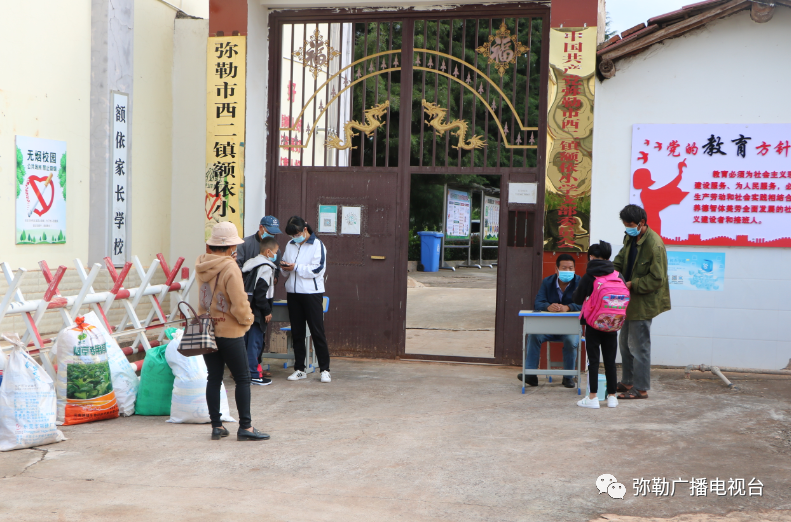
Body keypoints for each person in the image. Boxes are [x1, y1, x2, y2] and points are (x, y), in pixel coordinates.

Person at [196, 222, 269, 441]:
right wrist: (248, 321)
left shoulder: (201, 264)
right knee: (243, 379)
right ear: (229, 248)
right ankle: (245, 427)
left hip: (207, 330)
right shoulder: (230, 268)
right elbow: (239, 304)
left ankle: (217, 426)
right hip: (230, 332)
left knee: (214, 378)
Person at [612, 204, 671, 400]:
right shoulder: (630, 236)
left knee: (639, 346)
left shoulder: (655, 245)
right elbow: (620, 260)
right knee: (625, 344)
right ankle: (628, 381)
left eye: (629, 224)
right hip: (627, 300)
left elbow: (657, 279)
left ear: (641, 223)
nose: (627, 228)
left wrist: (631, 284)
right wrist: (608, 273)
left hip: (643, 302)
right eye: (625, 224)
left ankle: (641, 388)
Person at [517, 254, 581, 389]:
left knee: (570, 341)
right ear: (556, 269)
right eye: (564, 268)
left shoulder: (579, 282)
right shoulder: (548, 282)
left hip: (570, 328)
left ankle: (568, 377)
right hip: (549, 327)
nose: (568, 271)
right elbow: (538, 302)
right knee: (534, 335)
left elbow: (586, 304)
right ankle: (530, 375)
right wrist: (548, 306)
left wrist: (568, 307)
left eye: (571, 268)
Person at [572, 241, 623, 409]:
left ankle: (593, 397)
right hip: (612, 324)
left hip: (593, 324)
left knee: (593, 361)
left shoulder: (589, 276)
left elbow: (578, 299)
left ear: (592, 257)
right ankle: (612, 397)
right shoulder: (617, 275)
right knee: (610, 361)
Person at [280, 216, 331, 383]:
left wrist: (296, 267)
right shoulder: (290, 245)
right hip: (293, 293)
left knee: (317, 331)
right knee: (297, 332)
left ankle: (324, 369)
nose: (295, 238)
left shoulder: (318, 245)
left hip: (311, 293)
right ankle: (300, 369)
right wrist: (285, 268)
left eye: (297, 234)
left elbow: (318, 269)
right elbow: (287, 271)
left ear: (305, 230)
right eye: (292, 236)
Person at [237, 215, 282, 378]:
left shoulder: (273, 249)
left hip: (249, 300)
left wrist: (275, 277)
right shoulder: (245, 244)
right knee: (251, 338)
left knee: (252, 339)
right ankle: (251, 371)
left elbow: (275, 269)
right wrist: (266, 310)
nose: (272, 235)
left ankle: (251, 367)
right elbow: (238, 270)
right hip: (251, 301)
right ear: (261, 227)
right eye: (269, 231)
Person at [241, 236, 279, 386]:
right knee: (254, 343)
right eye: (275, 252)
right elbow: (260, 293)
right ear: (268, 252)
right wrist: (267, 311)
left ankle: (244, 373)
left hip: (245, 307)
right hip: (257, 310)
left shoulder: (250, 264)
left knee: (245, 341)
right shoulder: (266, 267)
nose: (276, 255)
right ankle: (254, 375)